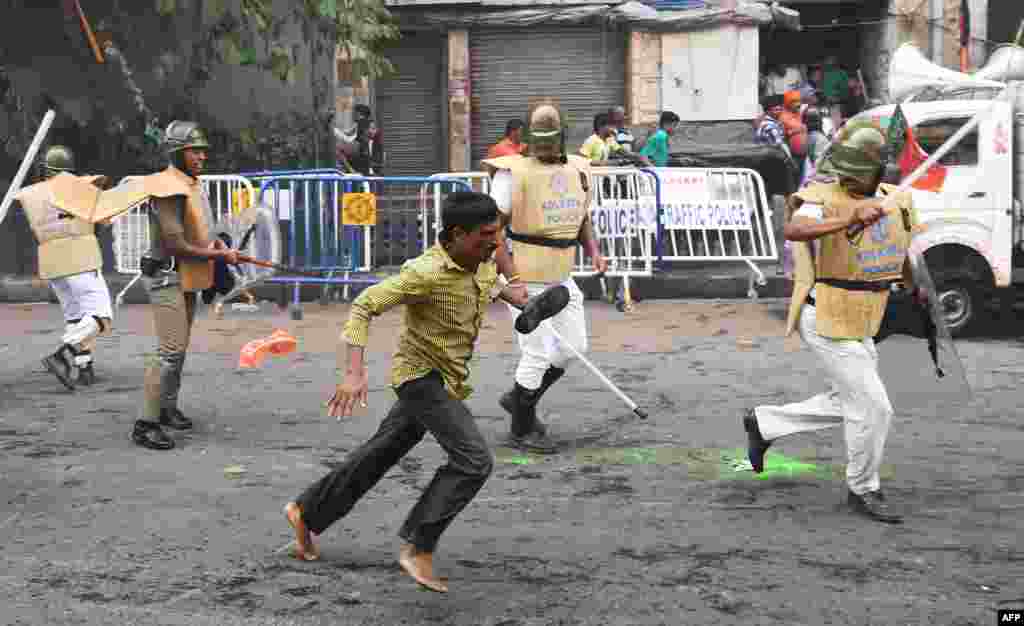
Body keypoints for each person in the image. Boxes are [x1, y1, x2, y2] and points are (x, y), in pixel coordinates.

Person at [283, 191, 567, 593]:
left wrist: (528, 303)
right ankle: (418, 544)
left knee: (380, 452)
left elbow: (498, 289)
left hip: (449, 377)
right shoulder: (424, 273)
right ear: (456, 234)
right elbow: (364, 306)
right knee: (473, 460)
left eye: (498, 235)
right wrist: (352, 373)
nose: (496, 243)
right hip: (420, 378)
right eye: (487, 235)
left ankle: (307, 511)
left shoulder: (481, 263)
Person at [742, 120, 919, 524]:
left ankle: (764, 424)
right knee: (875, 407)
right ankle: (864, 487)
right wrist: (849, 218)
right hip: (824, 315)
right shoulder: (820, 197)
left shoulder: (895, 199)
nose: (848, 178)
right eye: (846, 169)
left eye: (858, 171)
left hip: (865, 316)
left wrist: (914, 287)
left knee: (847, 401)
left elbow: (902, 248)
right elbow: (794, 228)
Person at [481, 102, 608, 453]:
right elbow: (492, 233)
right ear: (528, 138)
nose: (547, 149)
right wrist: (514, 280)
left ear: (564, 136)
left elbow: (582, 218)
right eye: (541, 141)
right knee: (535, 354)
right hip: (526, 277)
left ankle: (520, 398)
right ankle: (521, 427)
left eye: (552, 141)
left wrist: (594, 251)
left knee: (573, 348)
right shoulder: (511, 174)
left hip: (562, 278)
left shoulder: (579, 169)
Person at [131, 120, 242, 451]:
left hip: (187, 276)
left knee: (177, 352)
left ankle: (166, 408)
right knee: (169, 352)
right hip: (167, 276)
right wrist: (219, 256)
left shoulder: (192, 184)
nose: (201, 157)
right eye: (194, 151)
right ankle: (145, 423)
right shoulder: (166, 189)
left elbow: (204, 231)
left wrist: (219, 248)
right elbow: (177, 243)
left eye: (203, 151)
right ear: (176, 153)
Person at [13, 145, 114, 390]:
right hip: (80, 255)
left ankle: (83, 366)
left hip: (51, 259)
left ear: (46, 169)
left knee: (75, 315)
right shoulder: (83, 186)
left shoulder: (31, 193)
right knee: (101, 316)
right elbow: (106, 219)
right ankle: (63, 353)